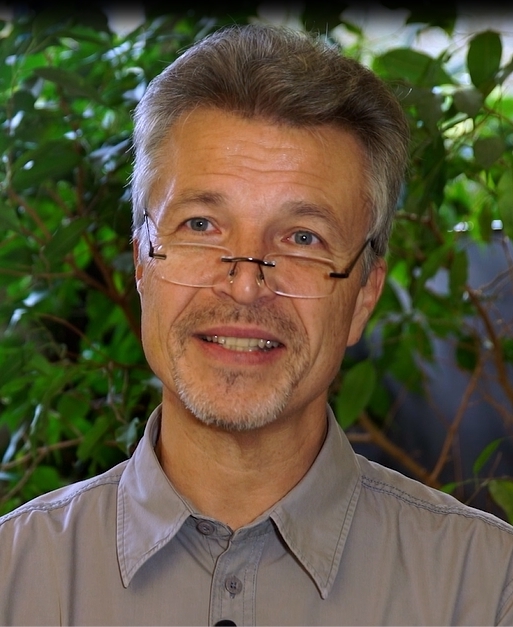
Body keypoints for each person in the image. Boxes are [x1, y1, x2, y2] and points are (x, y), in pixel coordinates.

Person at [0, 22, 512, 627]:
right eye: (200, 226)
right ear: (141, 262)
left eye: (303, 238)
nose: (245, 285)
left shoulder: (487, 588)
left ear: (365, 294)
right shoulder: (13, 578)